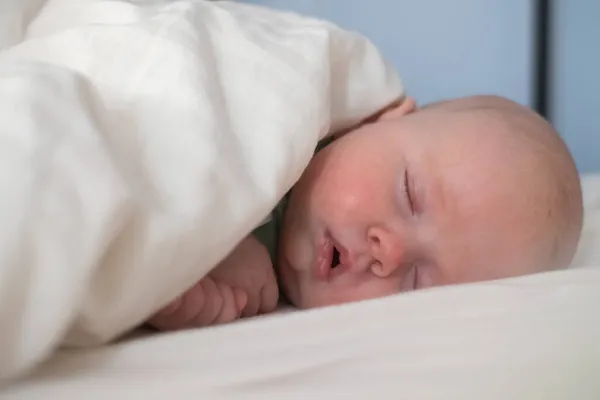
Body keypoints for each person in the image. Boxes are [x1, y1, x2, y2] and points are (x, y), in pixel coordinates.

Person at [146, 95, 584, 330]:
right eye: (410, 194)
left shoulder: (253, 287)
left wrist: (206, 276)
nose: (388, 254)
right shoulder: (286, 110)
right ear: (381, 117)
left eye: (417, 282)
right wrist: (220, 228)